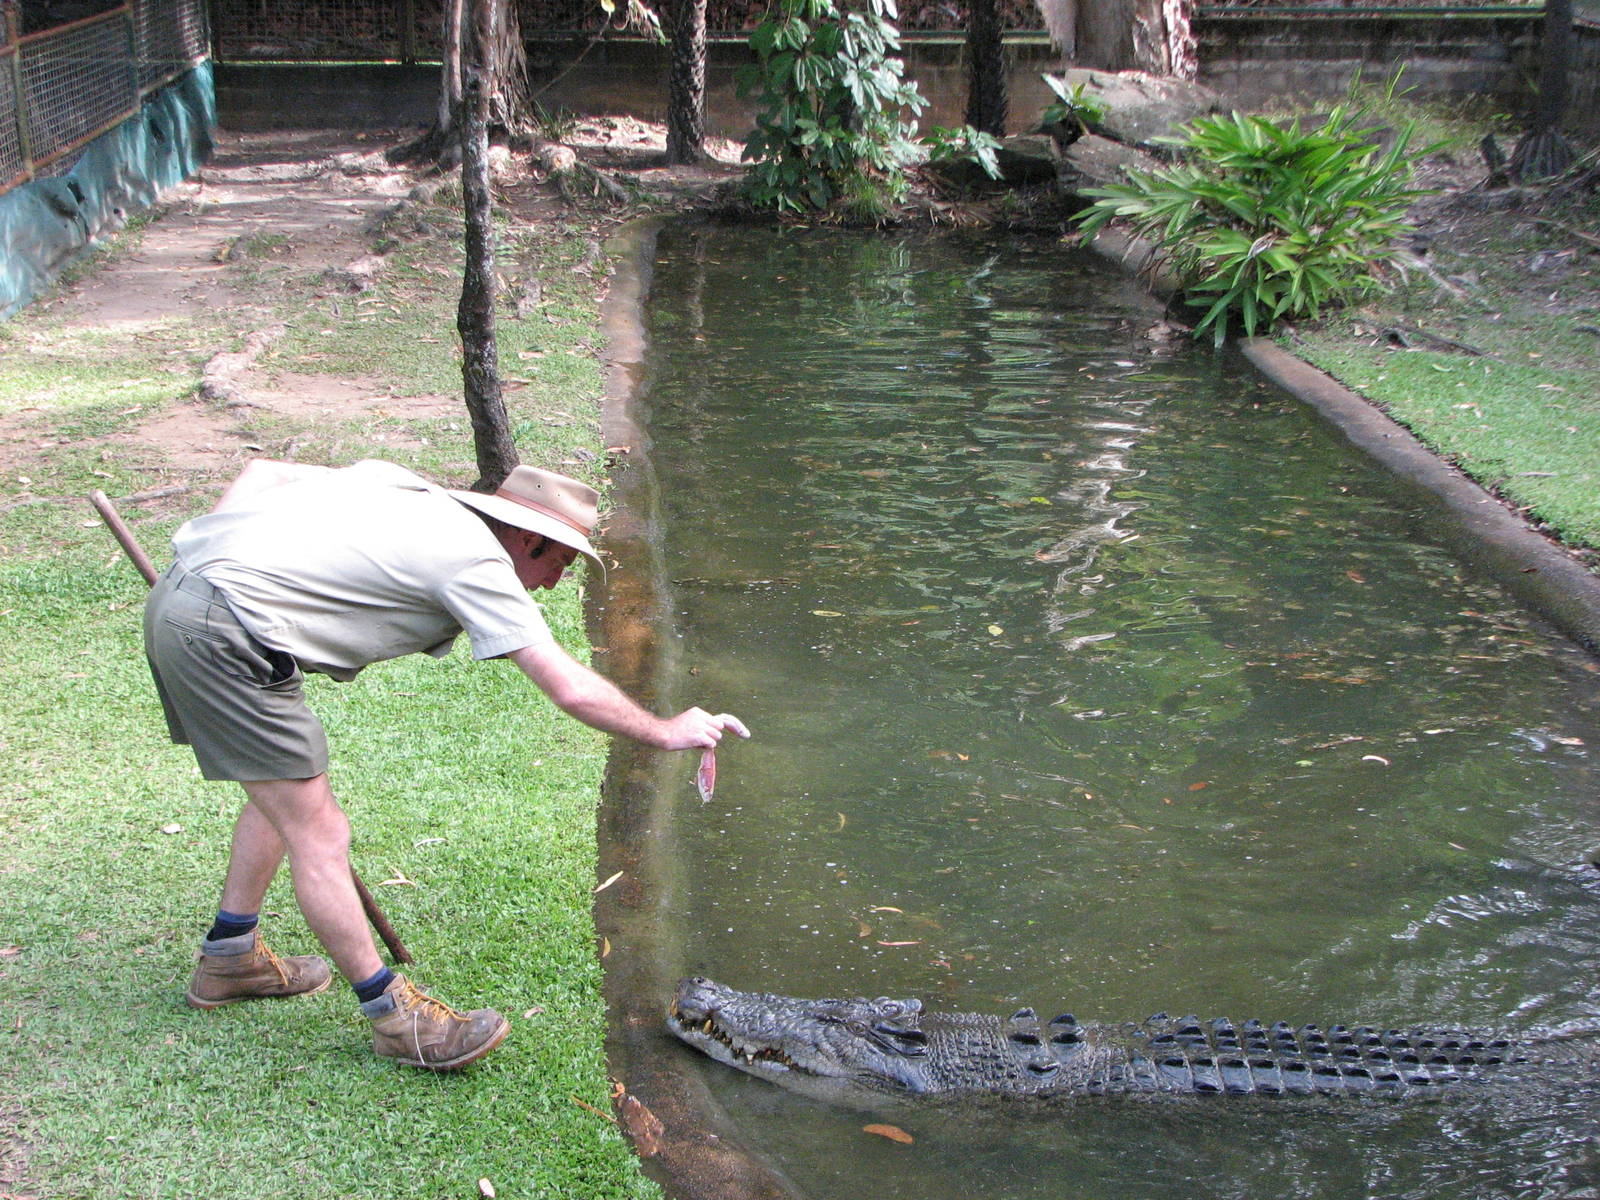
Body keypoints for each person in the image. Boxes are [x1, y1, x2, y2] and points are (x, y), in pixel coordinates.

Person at [143, 458, 748, 1070]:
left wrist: (212, 567)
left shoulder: (409, 489)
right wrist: (664, 729)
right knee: (319, 829)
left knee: (281, 791)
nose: (550, 585)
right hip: (223, 634)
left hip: (200, 604)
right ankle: (396, 1019)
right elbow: (568, 687)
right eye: (557, 563)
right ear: (528, 538)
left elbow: (263, 472)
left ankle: (230, 957)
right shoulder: (476, 562)